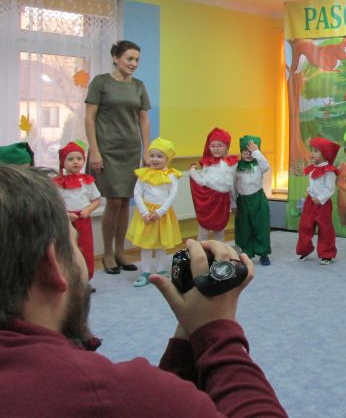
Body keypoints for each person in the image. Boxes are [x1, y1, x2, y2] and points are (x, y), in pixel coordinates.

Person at [0, 164, 287, 417]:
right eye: (74, 243)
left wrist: (188, 334)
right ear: (50, 266)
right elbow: (138, 400)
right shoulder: (107, 390)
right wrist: (217, 331)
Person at [85, 40, 150, 275]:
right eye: (129, 58)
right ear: (116, 58)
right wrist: (94, 150)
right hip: (106, 150)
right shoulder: (100, 82)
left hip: (130, 150)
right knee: (113, 201)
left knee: (124, 202)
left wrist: (146, 150)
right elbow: (89, 118)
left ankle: (121, 252)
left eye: (136, 60)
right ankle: (107, 254)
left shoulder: (139, 86)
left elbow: (143, 119)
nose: (133, 63)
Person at [126, 137, 182, 287]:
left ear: (167, 159)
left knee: (160, 245)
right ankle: (145, 272)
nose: (155, 159)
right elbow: (137, 194)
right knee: (146, 245)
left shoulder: (171, 175)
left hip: (162, 215)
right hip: (146, 214)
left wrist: (160, 212)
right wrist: (144, 213)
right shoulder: (144, 174)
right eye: (152, 155)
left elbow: (172, 195)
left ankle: (161, 271)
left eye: (159, 156)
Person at [52, 141, 101, 280]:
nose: (75, 162)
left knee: (85, 247)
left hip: (83, 219)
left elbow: (97, 200)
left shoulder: (87, 181)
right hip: (65, 220)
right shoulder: (58, 183)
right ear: (63, 162)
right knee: (65, 249)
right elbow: (54, 203)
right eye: (70, 159)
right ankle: (68, 278)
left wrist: (88, 209)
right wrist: (66, 214)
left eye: (79, 158)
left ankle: (85, 278)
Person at [189, 127, 238, 242]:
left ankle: (219, 252)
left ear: (227, 147)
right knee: (203, 231)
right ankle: (200, 252)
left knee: (219, 230)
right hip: (208, 201)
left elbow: (232, 185)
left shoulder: (232, 164)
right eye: (213, 146)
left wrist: (233, 204)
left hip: (222, 202)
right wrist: (193, 172)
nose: (216, 149)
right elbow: (202, 181)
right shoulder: (207, 163)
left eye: (220, 145)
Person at [296, 137, 340, 264]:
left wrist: (320, 199)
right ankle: (305, 249)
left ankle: (327, 254)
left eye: (316, 151)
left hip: (323, 204)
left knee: (325, 228)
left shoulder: (329, 172)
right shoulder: (313, 169)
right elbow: (313, 185)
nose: (312, 153)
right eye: (312, 150)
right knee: (305, 225)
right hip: (310, 202)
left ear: (325, 153)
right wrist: (309, 192)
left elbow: (330, 189)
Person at [234, 135, 272, 266]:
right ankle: (245, 254)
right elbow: (232, 186)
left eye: (251, 151)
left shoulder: (259, 165)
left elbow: (266, 166)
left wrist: (257, 152)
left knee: (261, 227)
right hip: (242, 201)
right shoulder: (236, 167)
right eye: (245, 151)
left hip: (258, 199)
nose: (248, 154)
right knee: (243, 229)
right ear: (241, 151)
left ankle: (263, 253)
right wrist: (233, 204)